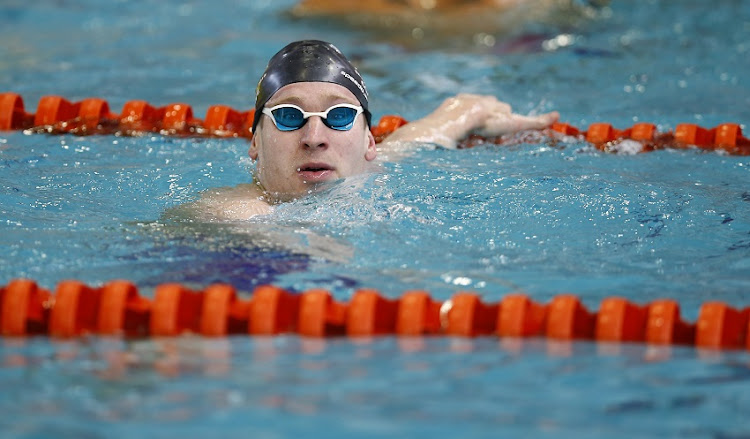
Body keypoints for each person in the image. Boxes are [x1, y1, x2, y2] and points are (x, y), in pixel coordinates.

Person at [184, 40, 558, 221]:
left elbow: (413, 140)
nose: (315, 136)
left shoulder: (366, 168)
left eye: (340, 116)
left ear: (368, 142)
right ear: (254, 142)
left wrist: (465, 113)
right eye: (288, 116)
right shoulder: (230, 216)